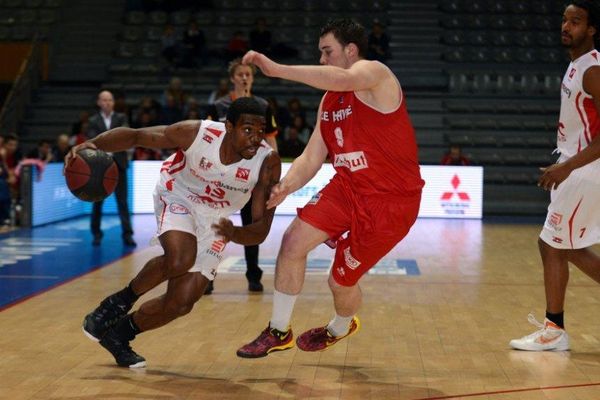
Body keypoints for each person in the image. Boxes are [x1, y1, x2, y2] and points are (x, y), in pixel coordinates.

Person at [236, 18, 424, 358]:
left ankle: (340, 325)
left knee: (339, 281)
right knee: (292, 242)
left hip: (391, 202)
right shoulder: (330, 102)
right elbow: (311, 157)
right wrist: (285, 187)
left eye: (327, 52)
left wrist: (277, 70)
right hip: (347, 188)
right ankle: (278, 330)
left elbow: (344, 77)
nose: (322, 61)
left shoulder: (375, 74)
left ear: (350, 51)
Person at [71, 97, 281, 368]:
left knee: (182, 302)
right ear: (228, 126)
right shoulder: (197, 133)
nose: (256, 138)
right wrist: (93, 145)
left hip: (216, 217)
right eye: (248, 130)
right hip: (178, 194)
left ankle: (119, 335)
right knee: (180, 258)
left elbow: (260, 231)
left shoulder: (267, 162)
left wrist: (234, 233)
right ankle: (115, 304)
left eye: (261, 131)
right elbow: (137, 136)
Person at [510, 1, 600, 352]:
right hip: (575, 164)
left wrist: (567, 166)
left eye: (575, 21)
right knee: (570, 247)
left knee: (550, 243)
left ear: (591, 29)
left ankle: (554, 330)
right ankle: (554, 329)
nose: (566, 26)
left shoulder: (592, 69)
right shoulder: (576, 65)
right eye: (565, 19)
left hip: (584, 169)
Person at [206, 57, 279, 294]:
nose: (245, 77)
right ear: (232, 78)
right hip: (222, 175)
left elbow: (271, 139)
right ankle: (207, 275)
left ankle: (253, 275)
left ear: (253, 78)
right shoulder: (218, 106)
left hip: (251, 177)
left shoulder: (263, 106)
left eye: (248, 74)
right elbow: (208, 138)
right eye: (240, 74)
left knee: (251, 225)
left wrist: (274, 174)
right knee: (214, 227)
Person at [87, 90, 136, 247]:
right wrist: (111, 145)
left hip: (119, 164)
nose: (107, 103)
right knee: (97, 201)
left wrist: (107, 144)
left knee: (122, 202)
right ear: (99, 102)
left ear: (113, 102)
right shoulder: (93, 120)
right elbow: (93, 142)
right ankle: (96, 234)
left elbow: (125, 138)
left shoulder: (121, 118)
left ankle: (127, 235)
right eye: (104, 100)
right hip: (100, 167)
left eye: (109, 100)